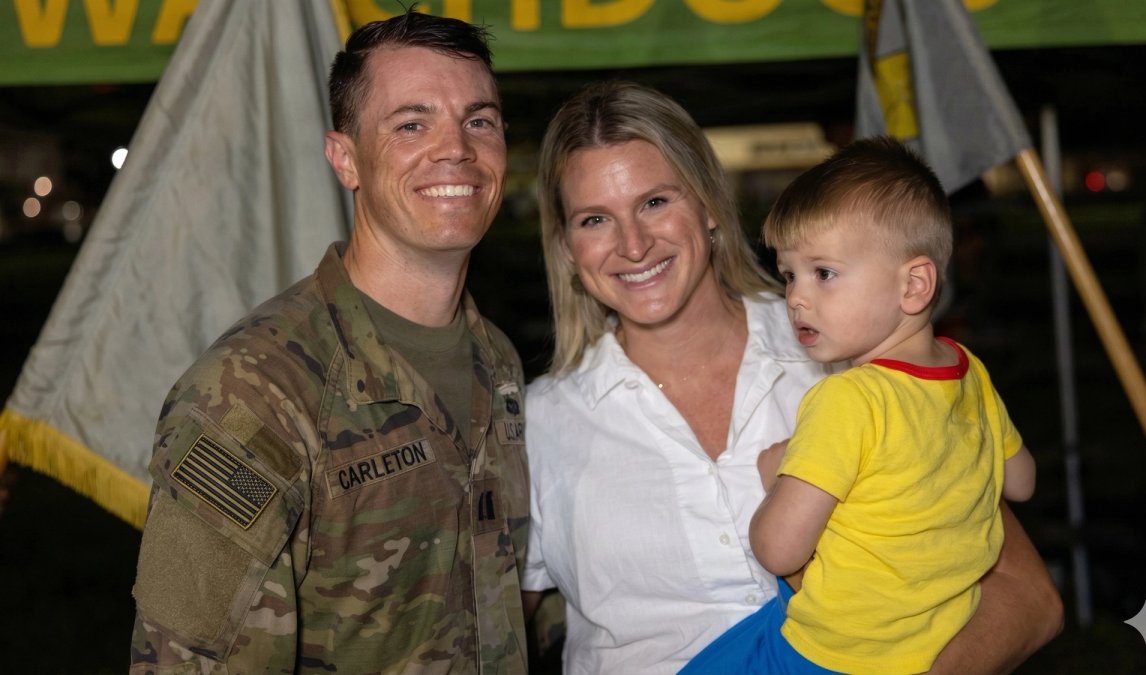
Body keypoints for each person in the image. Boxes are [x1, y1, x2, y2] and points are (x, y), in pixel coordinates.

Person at [520, 80, 1062, 675]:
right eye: (594, 219)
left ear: (707, 207)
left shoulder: (857, 354)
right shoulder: (537, 422)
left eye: (655, 202)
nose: (632, 243)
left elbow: (1029, 597)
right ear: (567, 246)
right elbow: (477, 628)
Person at [129, 10, 529, 672]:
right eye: (412, 123)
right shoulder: (250, 392)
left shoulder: (498, 362)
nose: (456, 148)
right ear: (346, 158)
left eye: (479, 120)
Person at [683, 136, 1038, 674]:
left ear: (915, 285)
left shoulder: (848, 399)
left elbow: (779, 552)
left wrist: (775, 475)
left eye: (823, 273)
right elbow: (1021, 482)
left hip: (835, 653)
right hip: (937, 638)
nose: (797, 297)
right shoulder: (967, 370)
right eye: (789, 275)